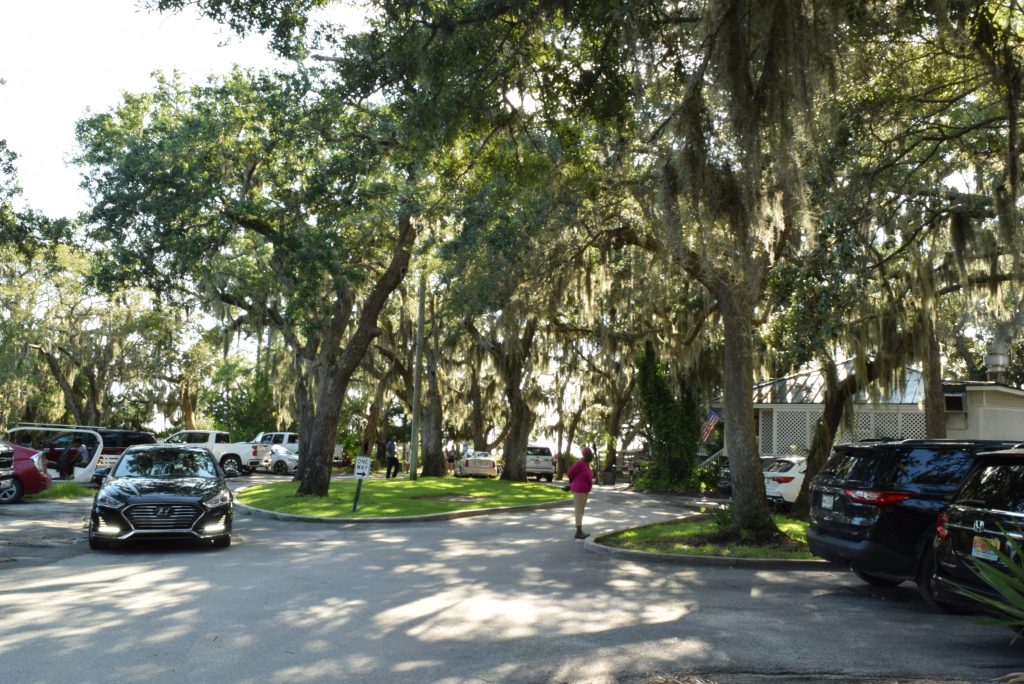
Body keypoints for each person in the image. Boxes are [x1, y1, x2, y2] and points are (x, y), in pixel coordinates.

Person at [566, 447, 595, 540]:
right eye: (589, 453)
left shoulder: (587, 464)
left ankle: (580, 530)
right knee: (578, 510)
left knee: (581, 510)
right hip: (579, 490)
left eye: (591, 453)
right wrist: (571, 482)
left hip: (585, 490)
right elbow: (570, 473)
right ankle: (578, 532)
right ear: (584, 455)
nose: (591, 455)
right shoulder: (580, 463)